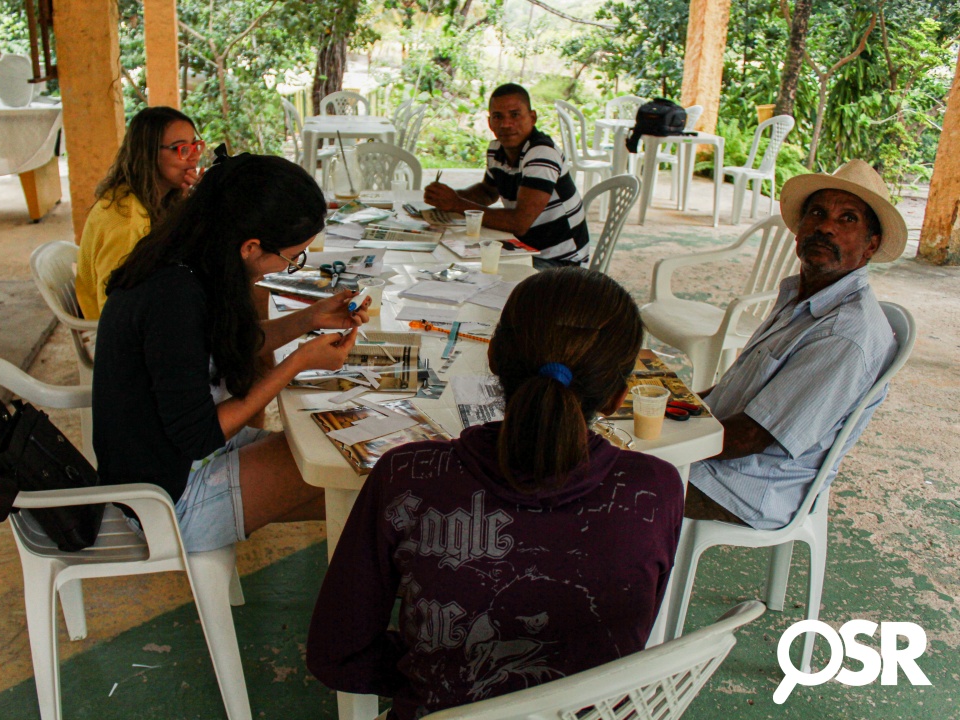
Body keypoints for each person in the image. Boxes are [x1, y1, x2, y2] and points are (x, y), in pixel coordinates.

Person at [306, 268, 684, 720]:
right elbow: (627, 640)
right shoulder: (656, 489)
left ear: (492, 359)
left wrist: (435, 676)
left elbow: (338, 656)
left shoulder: (406, 475)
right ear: (618, 396)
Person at [92, 151, 370, 552]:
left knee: (363, 483)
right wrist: (297, 362)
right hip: (166, 501)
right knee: (357, 468)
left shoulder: (189, 260)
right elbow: (200, 435)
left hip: (179, 465)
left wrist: (309, 318)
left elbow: (225, 343)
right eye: (292, 257)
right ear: (250, 246)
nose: (289, 266)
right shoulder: (172, 298)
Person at [685, 159, 907, 530]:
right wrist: (672, 406)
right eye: (817, 213)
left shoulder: (843, 334)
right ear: (798, 230)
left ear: (871, 245)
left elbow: (750, 437)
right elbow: (730, 393)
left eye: (847, 219)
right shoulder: (802, 297)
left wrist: (663, 441)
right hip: (720, 460)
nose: (826, 227)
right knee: (604, 437)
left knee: (598, 473)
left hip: (741, 486)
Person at [423, 83, 590, 269]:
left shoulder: (542, 153)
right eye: (498, 117)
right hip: (526, 250)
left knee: (472, 273)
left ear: (532, 118)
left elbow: (519, 223)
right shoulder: (496, 149)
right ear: (490, 122)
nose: (506, 124)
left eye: (515, 115)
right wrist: (447, 197)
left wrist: (456, 203)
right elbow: (487, 192)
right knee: (452, 261)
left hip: (561, 263)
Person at [75, 106, 204, 320]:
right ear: (148, 153)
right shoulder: (127, 219)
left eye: (195, 146)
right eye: (181, 149)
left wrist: (192, 204)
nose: (193, 158)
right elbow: (112, 304)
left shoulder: (153, 196)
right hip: (117, 323)